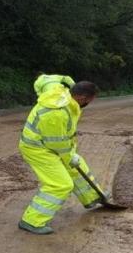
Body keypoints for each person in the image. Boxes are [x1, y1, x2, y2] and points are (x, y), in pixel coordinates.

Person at [18, 77, 104, 235]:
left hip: (48, 143)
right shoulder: (57, 113)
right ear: (82, 98)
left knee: (79, 166)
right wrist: (70, 157)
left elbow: (44, 80)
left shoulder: (58, 89)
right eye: (90, 101)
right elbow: (57, 145)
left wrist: (64, 79)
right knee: (61, 185)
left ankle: (93, 197)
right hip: (38, 148)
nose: (88, 104)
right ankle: (32, 221)